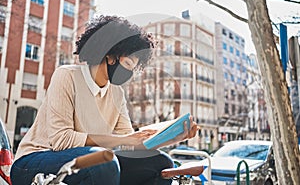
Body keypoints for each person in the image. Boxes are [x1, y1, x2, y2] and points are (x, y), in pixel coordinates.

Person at [11, 15, 198, 185]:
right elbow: (62, 140)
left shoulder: (116, 94)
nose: (130, 73)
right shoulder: (67, 76)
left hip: (89, 161)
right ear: (110, 56)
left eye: (134, 68)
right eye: (127, 64)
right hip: (34, 161)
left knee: (160, 163)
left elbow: (130, 144)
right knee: (102, 160)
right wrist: (121, 140)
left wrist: (173, 137)